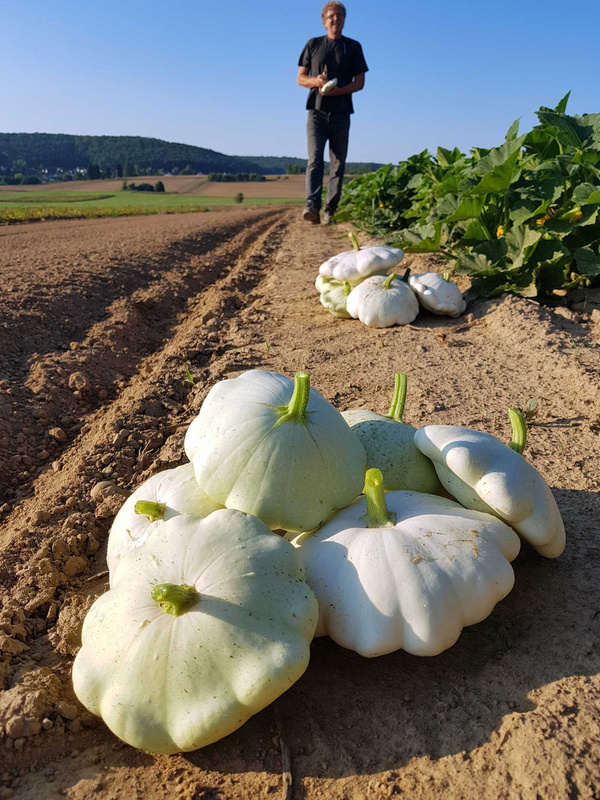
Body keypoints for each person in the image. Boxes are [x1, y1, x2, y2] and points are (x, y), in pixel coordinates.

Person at [297, 2, 368, 225]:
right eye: (331, 16)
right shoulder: (313, 44)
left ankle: (331, 209)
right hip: (316, 112)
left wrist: (339, 91)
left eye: (339, 16)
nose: (335, 20)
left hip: (342, 113)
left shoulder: (353, 47)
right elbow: (300, 78)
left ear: (344, 20)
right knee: (315, 159)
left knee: (338, 163)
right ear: (323, 20)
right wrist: (316, 81)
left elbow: (360, 83)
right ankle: (312, 205)